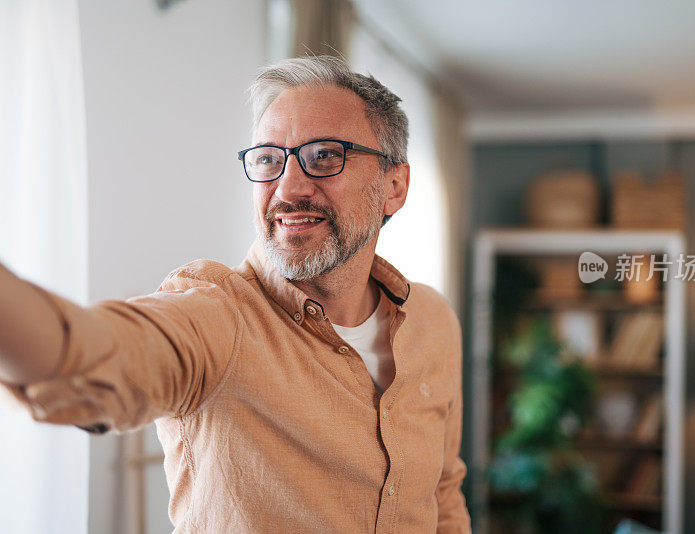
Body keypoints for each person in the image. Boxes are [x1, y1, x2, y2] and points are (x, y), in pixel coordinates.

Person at [0, 55, 471, 533]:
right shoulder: (219, 315)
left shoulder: (432, 320)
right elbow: (84, 353)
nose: (288, 187)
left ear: (394, 186)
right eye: (268, 158)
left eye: (326, 155)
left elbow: (442, 490)